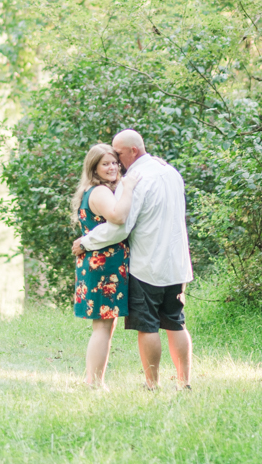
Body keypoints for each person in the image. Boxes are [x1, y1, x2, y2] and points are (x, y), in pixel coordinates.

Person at [72, 129, 193, 389]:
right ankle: (184, 383)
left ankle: (152, 385)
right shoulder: (171, 172)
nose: (116, 161)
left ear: (132, 152)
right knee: (176, 322)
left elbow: (120, 226)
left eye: (118, 155)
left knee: (148, 326)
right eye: (109, 159)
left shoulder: (137, 180)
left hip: (147, 264)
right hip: (177, 263)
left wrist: (85, 242)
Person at [71, 143, 141, 388]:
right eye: (105, 164)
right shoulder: (100, 192)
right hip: (103, 266)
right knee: (102, 327)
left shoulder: (96, 190)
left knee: (104, 327)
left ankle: (93, 379)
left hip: (101, 264)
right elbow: (118, 217)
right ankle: (94, 383)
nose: (112, 167)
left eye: (114, 162)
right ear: (94, 167)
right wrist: (129, 188)